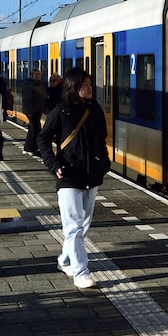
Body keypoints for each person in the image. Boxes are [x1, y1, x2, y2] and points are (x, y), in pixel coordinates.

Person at [38, 67, 111, 289]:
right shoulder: (60, 112)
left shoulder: (95, 110)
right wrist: (54, 164)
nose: (89, 88)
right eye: (84, 86)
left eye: (90, 85)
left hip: (91, 175)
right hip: (68, 175)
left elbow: (102, 138)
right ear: (73, 88)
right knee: (74, 227)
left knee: (84, 225)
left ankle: (65, 260)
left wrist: (103, 162)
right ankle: (81, 272)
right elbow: (42, 139)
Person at [21, 69, 47, 155]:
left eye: (39, 74)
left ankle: (30, 148)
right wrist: (29, 111)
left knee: (34, 129)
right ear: (31, 75)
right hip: (32, 111)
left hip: (37, 110)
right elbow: (27, 99)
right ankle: (30, 148)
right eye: (36, 74)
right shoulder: (29, 86)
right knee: (34, 129)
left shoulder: (39, 85)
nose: (38, 76)